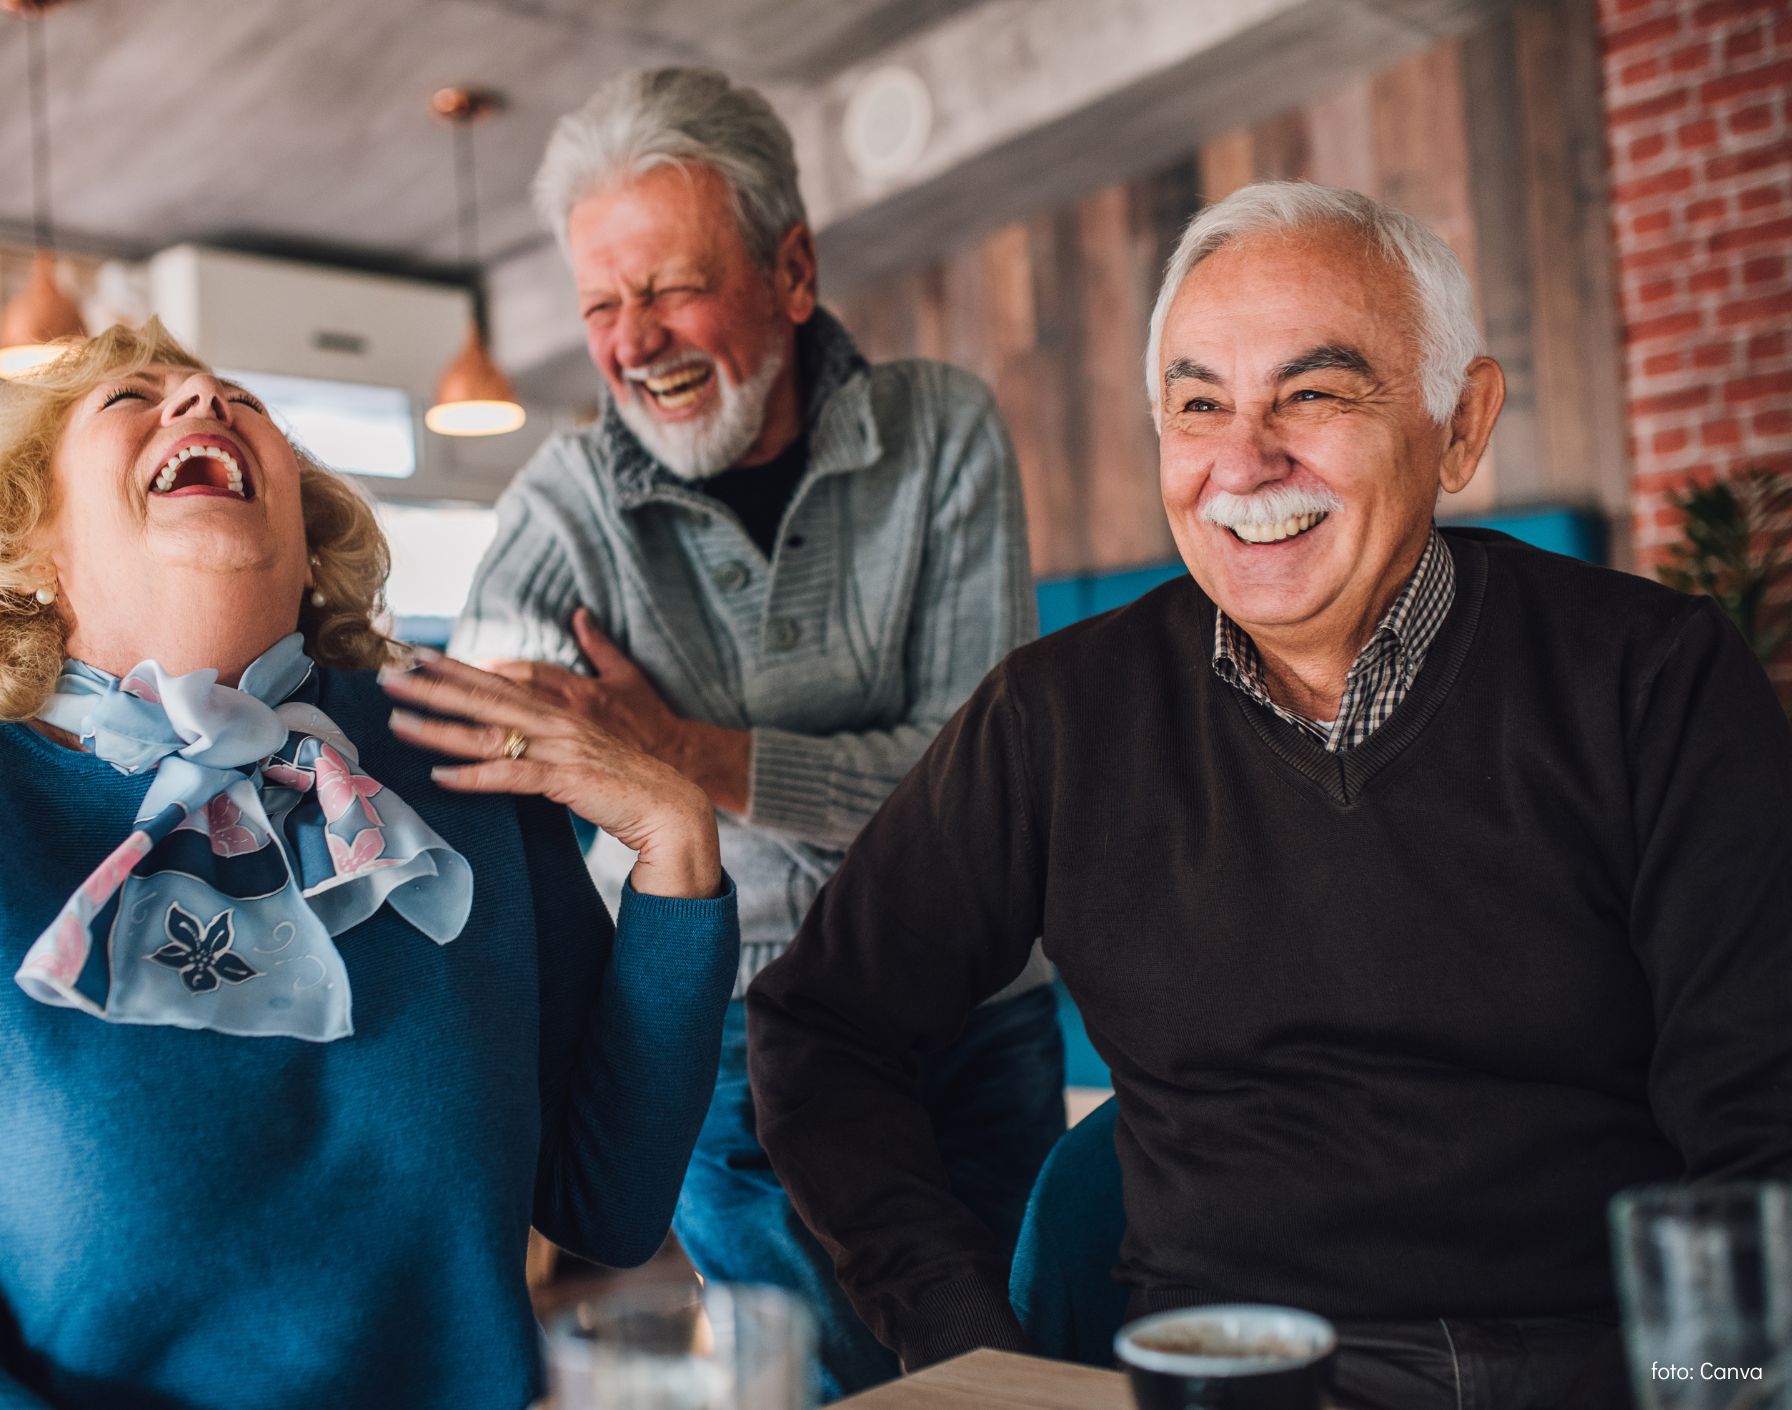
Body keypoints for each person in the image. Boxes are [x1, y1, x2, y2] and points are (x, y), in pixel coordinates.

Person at [746, 180, 1792, 1410]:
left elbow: (1759, 1117)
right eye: (1197, 405)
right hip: (1224, 1377)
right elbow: (822, 1026)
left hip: (1592, 1368)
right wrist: (971, 1345)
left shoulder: (1651, 677)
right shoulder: (1055, 717)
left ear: (1459, 425)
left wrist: (1714, 1381)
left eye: (1312, 392)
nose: (1242, 462)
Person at [0, 320, 738, 1410]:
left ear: (304, 541)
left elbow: (606, 1207)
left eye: (236, 397)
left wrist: (675, 844)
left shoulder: (464, 767)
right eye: (128, 401)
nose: (199, 396)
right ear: (31, 545)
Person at [449, 66, 1061, 1399]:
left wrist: (691, 754)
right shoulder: (565, 505)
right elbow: (493, 710)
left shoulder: (941, 430)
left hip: (976, 996)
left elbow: (982, 792)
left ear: (792, 270)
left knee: (1020, 1363)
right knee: (818, 1374)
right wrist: (552, 725)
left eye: (670, 288)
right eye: (603, 305)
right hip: (733, 1026)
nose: (635, 340)